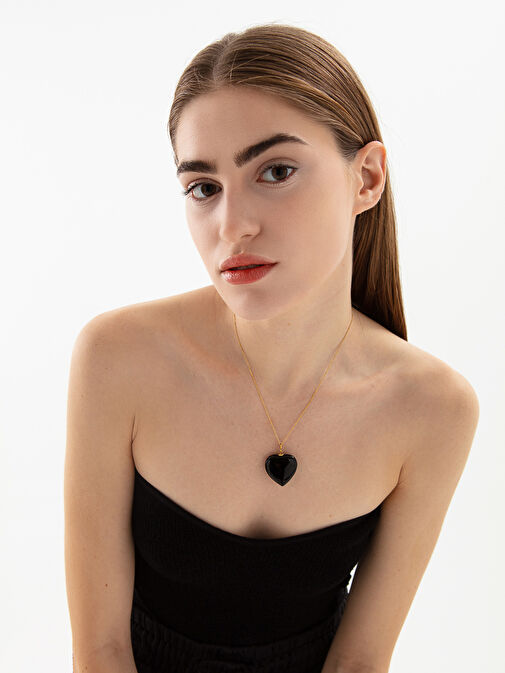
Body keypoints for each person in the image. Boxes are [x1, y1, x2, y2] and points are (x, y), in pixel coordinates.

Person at [65, 22, 480, 673]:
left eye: (276, 171)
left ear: (366, 178)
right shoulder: (117, 357)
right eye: (203, 187)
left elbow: (359, 661)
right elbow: (99, 652)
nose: (232, 226)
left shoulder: (432, 408)